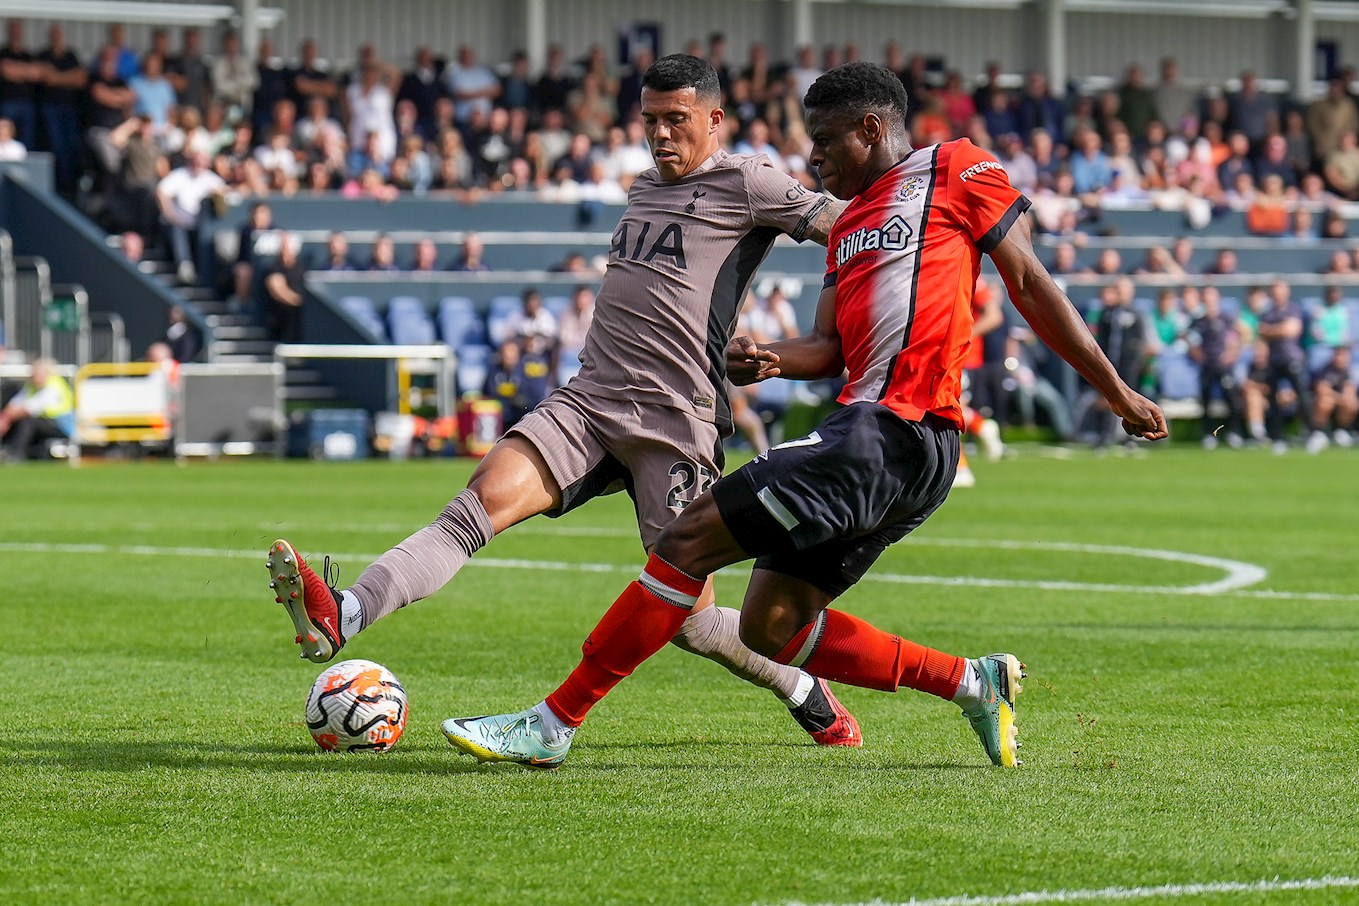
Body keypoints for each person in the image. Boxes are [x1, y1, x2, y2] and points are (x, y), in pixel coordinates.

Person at [439, 62, 1167, 771]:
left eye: (823, 140)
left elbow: (1028, 281)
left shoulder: (954, 167)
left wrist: (1114, 391)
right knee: (771, 624)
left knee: (687, 540)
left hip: (895, 429)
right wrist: (769, 357)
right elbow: (829, 347)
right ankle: (972, 682)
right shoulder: (849, 229)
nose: (812, 157)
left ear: (871, 129)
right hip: (878, 439)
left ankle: (552, 723)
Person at [263, 54, 858, 748]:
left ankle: (801, 687)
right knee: (476, 503)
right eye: (650, 121)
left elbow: (851, 230)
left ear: (715, 119)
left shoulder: (749, 182)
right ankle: (347, 611)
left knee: (690, 618)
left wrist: (818, 333)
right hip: (590, 399)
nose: (660, 134)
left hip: (674, 421)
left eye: (677, 120)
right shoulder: (644, 186)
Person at [0, 358, 75, 460]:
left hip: (61, 426)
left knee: (27, 421)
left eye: (36, 373)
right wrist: (4, 417)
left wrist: (6, 419)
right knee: (19, 419)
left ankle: (15, 453)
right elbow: (15, 404)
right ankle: (7, 449)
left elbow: (28, 409)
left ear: (46, 374)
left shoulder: (53, 387)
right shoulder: (31, 386)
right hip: (45, 423)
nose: (32, 376)